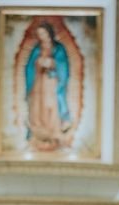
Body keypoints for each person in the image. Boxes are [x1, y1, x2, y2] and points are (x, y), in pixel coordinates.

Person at [25, 23, 72, 152]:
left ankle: (54, 134)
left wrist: (52, 63)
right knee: (38, 108)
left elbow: (63, 66)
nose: (42, 37)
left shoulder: (58, 48)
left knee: (51, 106)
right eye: (39, 34)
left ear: (49, 33)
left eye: (44, 33)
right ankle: (38, 135)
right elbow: (29, 66)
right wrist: (38, 63)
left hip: (52, 83)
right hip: (39, 83)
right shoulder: (37, 49)